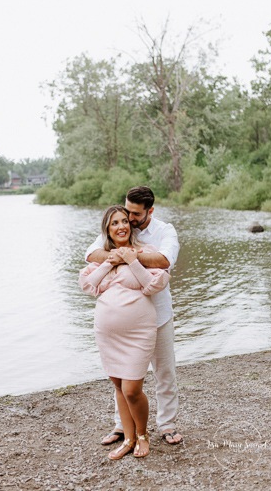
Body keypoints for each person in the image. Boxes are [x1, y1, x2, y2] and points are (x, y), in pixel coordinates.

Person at [85, 186, 183, 447]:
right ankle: (121, 426)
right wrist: (120, 255)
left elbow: (164, 261)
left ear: (150, 211)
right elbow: (91, 254)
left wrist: (134, 256)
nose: (128, 219)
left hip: (158, 316)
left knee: (164, 372)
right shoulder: (120, 226)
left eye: (134, 214)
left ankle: (167, 425)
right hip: (122, 324)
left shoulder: (164, 231)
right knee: (121, 374)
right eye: (126, 211)